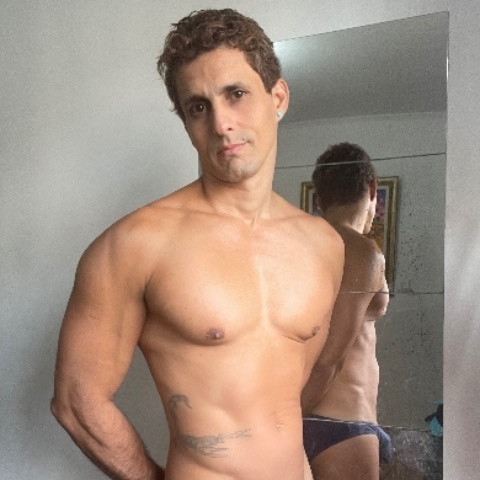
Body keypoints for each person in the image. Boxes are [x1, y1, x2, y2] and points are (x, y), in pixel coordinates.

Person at [50, 9, 344, 480]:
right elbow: (76, 400)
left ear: (278, 97)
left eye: (236, 94)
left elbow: (290, 390)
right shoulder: (135, 244)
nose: (222, 123)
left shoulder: (324, 244)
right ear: (187, 122)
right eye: (199, 107)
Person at [301, 142, 392, 480]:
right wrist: (286, 420)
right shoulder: (362, 251)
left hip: (309, 414)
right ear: (372, 189)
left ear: (319, 199)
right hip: (342, 422)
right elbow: (331, 357)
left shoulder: (300, 247)